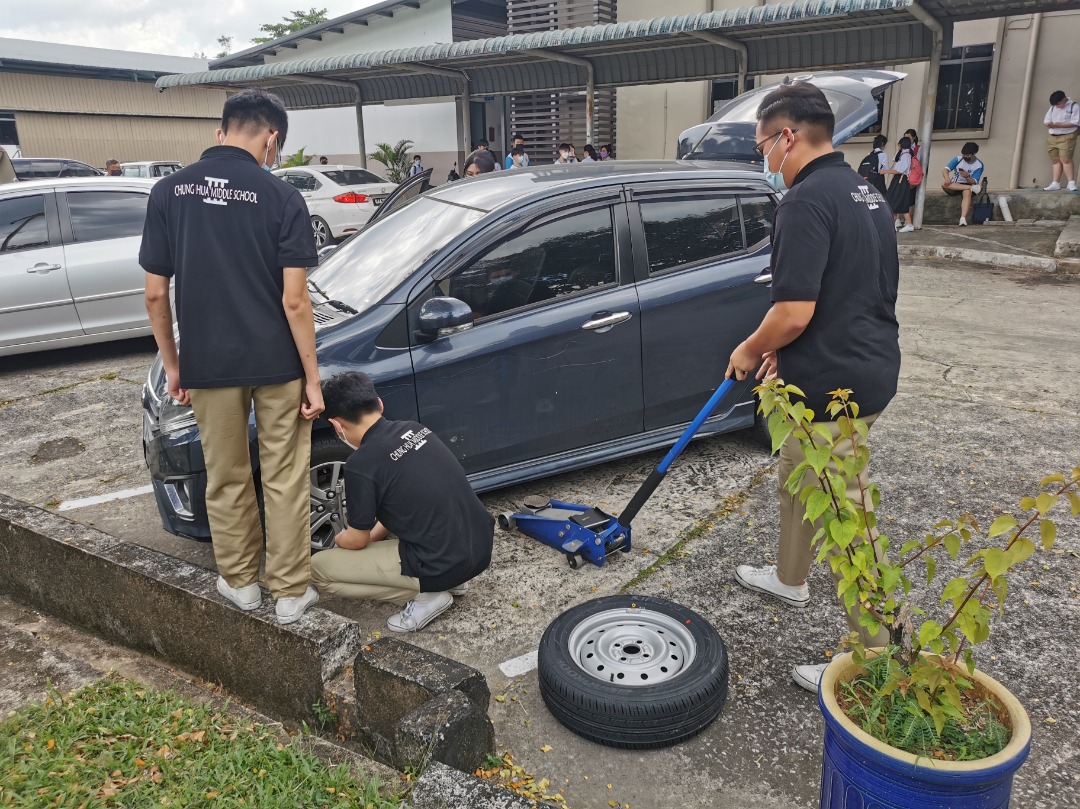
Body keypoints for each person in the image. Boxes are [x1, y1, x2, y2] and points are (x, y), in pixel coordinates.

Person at [725, 81, 900, 694]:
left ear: (788, 136)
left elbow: (794, 309)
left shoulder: (803, 201)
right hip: (862, 365)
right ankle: (789, 577)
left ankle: (877, 658)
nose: (763, 157)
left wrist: (751, 348)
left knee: (846, 517)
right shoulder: (864, 191)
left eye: (762, 145)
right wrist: (787, 353)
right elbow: (848, 289)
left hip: (835, 387)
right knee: (798, 479)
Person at [139, 88, 323, 625]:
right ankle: (290, 594)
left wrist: (175, 366)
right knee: (285, 475)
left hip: (209, 364)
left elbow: (155, 295)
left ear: (221, 133)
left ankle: (241, 584)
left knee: (225, 474)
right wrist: (313, 378)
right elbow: (295, 300)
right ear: (272, 138)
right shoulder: (283, 196)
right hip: (277, 363)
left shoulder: (167, 193)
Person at [311, 372, 494, 632]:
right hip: (479, 546)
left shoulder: (360, 465)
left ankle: (429, 596)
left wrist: (341, 540)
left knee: (319, 569)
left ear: (337, 425)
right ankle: (451, 580)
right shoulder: (415, 429)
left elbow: (357, 539)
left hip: (440, 562)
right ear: (380, 404)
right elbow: (401, 507)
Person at [940, 142, 985, 226]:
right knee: (943, 184)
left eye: (968, 155)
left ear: (974, 153)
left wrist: (967, 177)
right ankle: (970, 188)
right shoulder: (958, 159)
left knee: (967, 192)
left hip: (968, 184)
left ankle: (963, 218)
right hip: (955, 185)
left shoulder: (979, 165)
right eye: (964, 154)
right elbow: (945, 170)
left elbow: (974, 181)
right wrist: (947, 178)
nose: (966, 157)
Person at [1042, 90, 1079, 191]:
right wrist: (1050, 125)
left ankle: (1071, 183)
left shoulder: (1074, 106)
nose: (1057, 106)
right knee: (1056, 160)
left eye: (1059, 104)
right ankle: (1055, 183)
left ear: (1064, 99)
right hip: (1053, 136)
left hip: (1067, 136)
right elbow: (1046, 121)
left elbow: (1075, 122)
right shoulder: (1053, 107)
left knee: (1066, 159)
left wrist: (1057, 125)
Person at [882, 136, 916, 232]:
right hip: (899, 180)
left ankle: (908, 224)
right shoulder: (904, 154)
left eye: (899, 144)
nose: (898, 146)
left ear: (902, 144)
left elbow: (900, 170)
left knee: (896, 200)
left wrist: (886, 172)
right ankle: (894, 222)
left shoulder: (906, 155)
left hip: (901, 180)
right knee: (893, 200)